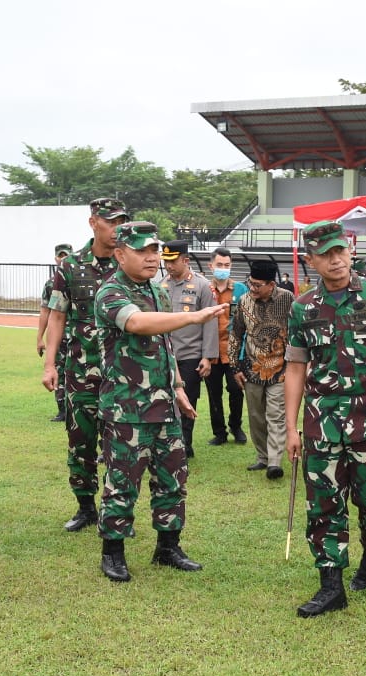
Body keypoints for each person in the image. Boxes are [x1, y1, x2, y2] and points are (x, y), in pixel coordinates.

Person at [285, 220, 366, 617]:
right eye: (325, 255)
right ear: (311, 261)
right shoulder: (302, 307)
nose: (336, 260)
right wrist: (290, 427)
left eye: (340, 251)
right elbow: (295, 366)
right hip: (321, 421)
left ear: (349, 250)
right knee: (323, 505)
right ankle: (330, 585)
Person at [93, 222, 228, 582]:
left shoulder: (157, 289)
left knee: (172, 479)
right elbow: (137, 324)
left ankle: (168, 546)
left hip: (164, 402)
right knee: (122, 481)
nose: (152, 258)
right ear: (121, 254)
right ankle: (113, 552)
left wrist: (179, 388)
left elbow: (166, 346)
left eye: (155, 250)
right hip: (127, 407)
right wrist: (192, 316)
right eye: (143, 251)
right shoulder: (110, 293)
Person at [42, 198, 130, 533]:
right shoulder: (70, 267)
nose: (117, 229)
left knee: (120, 445)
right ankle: (85, 507)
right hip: (81, 372)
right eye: (112, 222)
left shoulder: (129, 263)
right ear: (94, 223)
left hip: (123, 373)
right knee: (81, 442)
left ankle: (116, 510)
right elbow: (58, 315)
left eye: (122, 222)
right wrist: (49, 365)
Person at [230, 259, 294, 479]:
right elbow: (236, 334)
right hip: (251, 368)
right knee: (256, 416)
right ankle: (263, 457)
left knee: (275, 415)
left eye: (258, 285)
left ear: (271, 284)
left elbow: (296, 334)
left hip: (281, 369)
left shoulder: (287, 300)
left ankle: (274, 463)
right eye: (251, 283)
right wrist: (234, 366)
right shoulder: (243, 301)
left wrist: (294, 367)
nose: (252, 288)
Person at [159, 239, 218, 459]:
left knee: (188, 399)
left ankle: (185, 444)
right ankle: (170, 442)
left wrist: (207, 357)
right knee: (165, 399)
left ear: (185, 260)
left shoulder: (202, 285)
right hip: (167, 352)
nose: (169, 266)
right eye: (166, 261)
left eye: (173, 261)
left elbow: (210, 322)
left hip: (191, 354)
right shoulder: (161, 285)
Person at [204, 247, 246, 446]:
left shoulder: (240, 290)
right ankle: (219, 432)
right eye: (219, 265)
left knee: (236, 390)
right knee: (214, 393)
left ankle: (236, 426)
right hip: (210, 350)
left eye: (227, 265)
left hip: (234, 351)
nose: (223, 268)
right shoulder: (204, 288)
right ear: (210, 266)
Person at [37, 242, 72, 422]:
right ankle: (62, 410)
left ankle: (76, 409)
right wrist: (39, 338)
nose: (63, 258)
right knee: (58, 371)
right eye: (60, 255)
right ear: (55, 258)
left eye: (66, 255)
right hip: (57, 337)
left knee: (76, 373)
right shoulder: (51, 284)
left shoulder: (78, 279)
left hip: (76, 336)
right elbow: (45, 312)